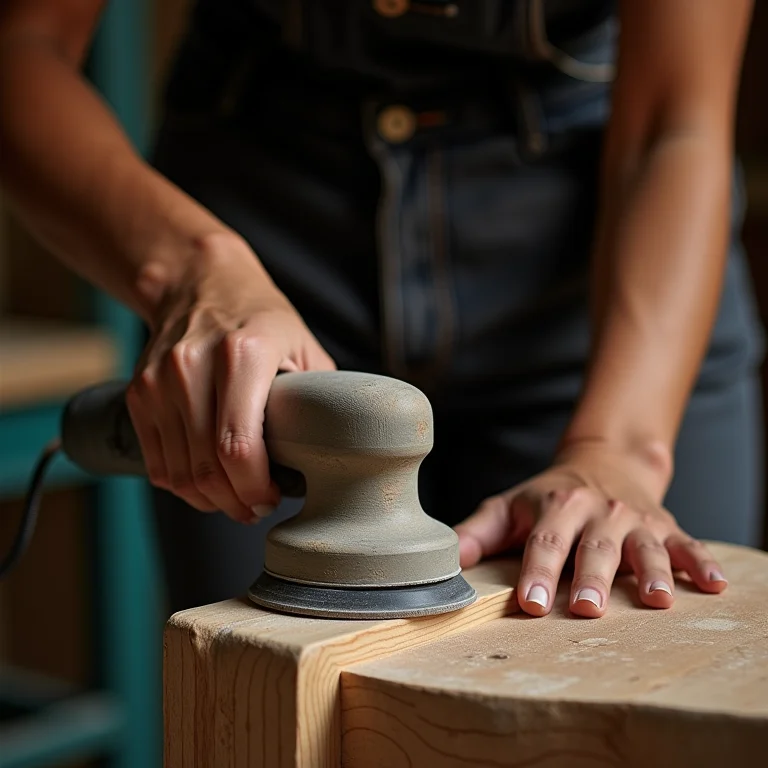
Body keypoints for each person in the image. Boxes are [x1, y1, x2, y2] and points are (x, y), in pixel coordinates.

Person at [0, 0, 763, 620]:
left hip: (600, 260)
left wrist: (620, 449)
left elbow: (677, 118)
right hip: (264, 223)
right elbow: (21, 45)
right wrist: (195, 268)